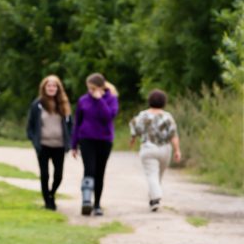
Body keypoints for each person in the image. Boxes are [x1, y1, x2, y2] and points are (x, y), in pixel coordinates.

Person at [71, 73, 119, 216]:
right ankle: (86, 202)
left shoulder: (111, 99)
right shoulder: (83, 100)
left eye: (93, 88)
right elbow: (77, 122)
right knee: (89, 170)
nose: (90, 91)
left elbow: (108, 117)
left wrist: (100, 100)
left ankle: (97, 204)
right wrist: (74, 144)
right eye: (89, 88)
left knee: (99, 172)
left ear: (101, 87)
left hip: (104, 140)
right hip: (86, 139)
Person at [129, 89, 181, 211]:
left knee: (152, 175)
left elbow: (134, 126)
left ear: (149, 101)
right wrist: (177, 150)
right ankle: (154, 199)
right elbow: (173, 134)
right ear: (164, 102)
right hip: (165, 149)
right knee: (158, 175)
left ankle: (155, 197)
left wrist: (133, 139)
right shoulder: (167, 117)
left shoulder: (142, 115)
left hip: (148, 148)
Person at [26, 75, 72, 210]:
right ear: (44, 88)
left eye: (54, 86)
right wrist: (33, 139)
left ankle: (51, 193)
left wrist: (71, 140)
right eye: (49, 86)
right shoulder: (37, 104)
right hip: (43, 146)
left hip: (59, 146)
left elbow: (70, 124)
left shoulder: (63, 104)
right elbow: (30, 125)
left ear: (58, 88)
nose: (51, 88)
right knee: (45, 175)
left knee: (58, 175)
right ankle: (48, 202)